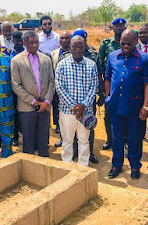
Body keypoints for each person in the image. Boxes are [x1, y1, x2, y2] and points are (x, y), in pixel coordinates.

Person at [105, 29, 148, 180]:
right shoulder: (112, 56)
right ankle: (116, 165)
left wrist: (145, 106)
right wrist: (108, 97)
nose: (125, 46)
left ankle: (134, 166)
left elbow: (147, 84)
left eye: (129, 44)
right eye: (122, 43)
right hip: (115, 105)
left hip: (135, 107)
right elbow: (107, 78)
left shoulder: (144, 59)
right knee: (117, 137)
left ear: (136, 41)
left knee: (134, 138)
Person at [55, 35, 98, 166]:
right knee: (67, 141)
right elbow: (59, 87)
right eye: (74, 47)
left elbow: (93, 86)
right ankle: (67, 165)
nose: (78, 50)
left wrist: (83, 106)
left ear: (85, 47)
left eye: (80, 47)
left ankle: (83, 166)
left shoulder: (91, 65)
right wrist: (74, 106)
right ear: (70, 48)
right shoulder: (62, 64)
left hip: (86, 112)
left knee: (84, 141)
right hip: (67, 111)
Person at [11, 31, 55, 157]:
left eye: (36, 42)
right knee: (28, 141)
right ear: (24, 43)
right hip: (27, 107)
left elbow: (52, 81)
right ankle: (29, 169)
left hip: (44, 107)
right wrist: (34, 102)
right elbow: (16, 85)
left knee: (43, 139)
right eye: (31, 43)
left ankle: (44, 165)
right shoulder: (16, 60)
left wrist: (46, 102)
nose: (35, 45)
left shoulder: (46, 59)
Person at [98, 18, 127, 151]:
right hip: (110, 85)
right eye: (116, 26)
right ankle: (110, 139)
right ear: (113, 28)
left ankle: (125, 141)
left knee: (125, 114)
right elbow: (100, 64)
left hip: (126, 85)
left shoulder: (130, 42)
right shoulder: (106, 44)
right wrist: (102, 87)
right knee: (108, 114)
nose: (119, 28)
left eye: (122, 26)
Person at [51, 31, 72, 147]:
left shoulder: (75, 53)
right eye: (62, 38)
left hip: (71, 92)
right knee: (60, 116)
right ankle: (62, 139)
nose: (64, 40)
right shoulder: (54, 53)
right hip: (57, 91)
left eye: (67, 38)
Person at [9, 31, 25, 147]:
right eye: (16, 40)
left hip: (26, 90)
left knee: (25, 115)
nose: (19, 42)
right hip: (13, 90)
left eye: (20, 40)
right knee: (14, 114)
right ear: (13, 41)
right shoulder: (9, 55)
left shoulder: (28, 54)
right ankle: (15, 137)